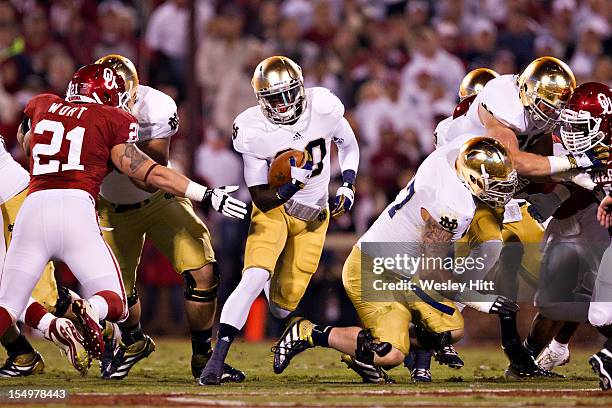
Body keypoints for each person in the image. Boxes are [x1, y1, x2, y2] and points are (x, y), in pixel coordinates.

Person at [0, 63, 247, 376]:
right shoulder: (111, 117)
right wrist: (206, 194)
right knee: (116, 301)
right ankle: (103, 320)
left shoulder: (45, 104)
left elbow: (26, 138)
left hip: (35, 208)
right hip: (88, 209)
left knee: (8, 301)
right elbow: (148, 173)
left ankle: (202, 357)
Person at [271, 136, 520, 383]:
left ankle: (365, 352)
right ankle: (309, 332)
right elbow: (431, 271)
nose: (503, 189)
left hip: (403, 271)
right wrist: (483, 301)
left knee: (448, 329)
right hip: (374, 269)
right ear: (472, 178)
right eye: (496, 183)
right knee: (393, 354)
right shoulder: (454, 205)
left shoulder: (451, 155)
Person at [199, 55, 360, 385]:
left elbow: (348, 143)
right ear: (261, 100)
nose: (285, 105)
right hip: (274, 210)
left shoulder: (325, 106)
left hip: (314, 218)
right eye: (275, 98)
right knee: (253, 276)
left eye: (289, 94)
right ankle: (217, 359)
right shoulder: (252, 129)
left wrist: (347, 182)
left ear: (301, 87)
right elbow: (260, 195)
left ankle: (283, 302)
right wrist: (292, 185)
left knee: (282, 309)